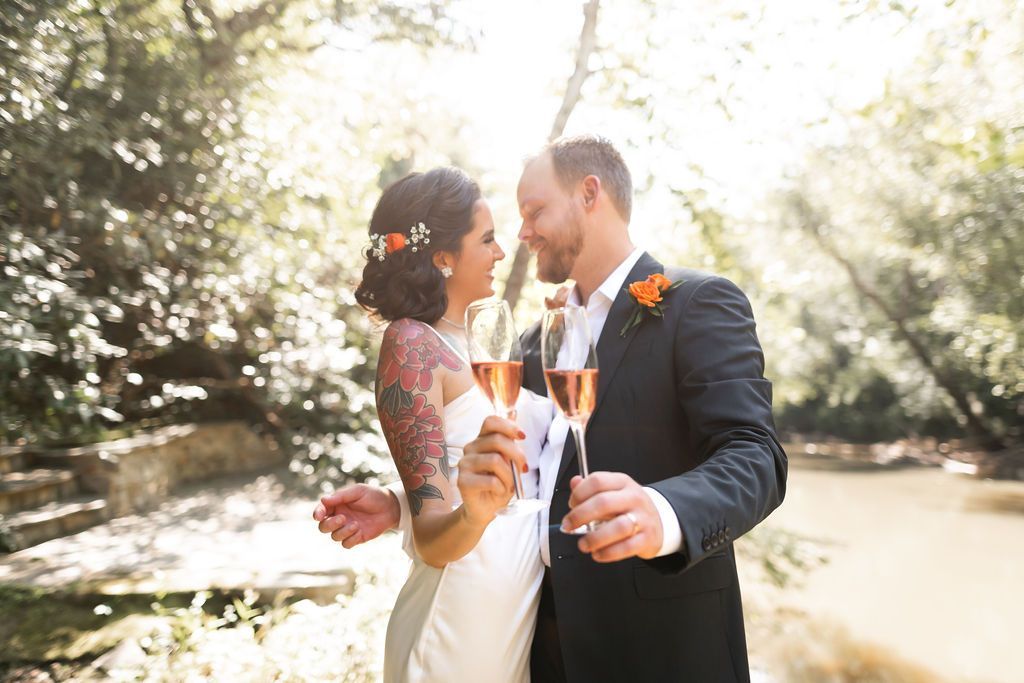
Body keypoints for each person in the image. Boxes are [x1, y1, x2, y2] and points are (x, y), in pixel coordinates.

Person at [316, 136, 788, 682]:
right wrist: (404, 502)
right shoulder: (535, 342)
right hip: (534, 646)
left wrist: (661, 512)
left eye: (535, 211)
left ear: (590, 193)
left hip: (658, 646)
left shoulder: (698, 302)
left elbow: (756, 457)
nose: (522, 234)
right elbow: (523, 461)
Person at [337, 166, 552, 683]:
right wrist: (476, 514)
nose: (501, 253)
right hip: (456, 623)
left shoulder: (481, 343)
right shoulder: (412, 344)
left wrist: (395, 507)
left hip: (510, 619)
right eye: (487, 239)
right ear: (442, 257)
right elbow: (436, 535)